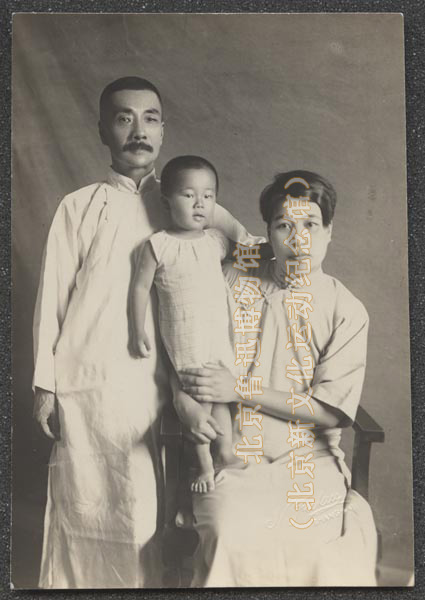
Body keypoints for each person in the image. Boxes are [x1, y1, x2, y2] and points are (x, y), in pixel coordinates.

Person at [32, 76, 263, 588]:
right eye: (124, 118)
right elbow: (51, 299)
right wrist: (45, 388)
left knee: (157, 511)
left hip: (170, 382)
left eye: (150, 118)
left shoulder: (187, 201)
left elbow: (249, 257)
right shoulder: (80, 206)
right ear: (103, 131)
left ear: (163, 130)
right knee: (89, 504)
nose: (138, 130)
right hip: (92, 382)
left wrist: (230, 262)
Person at [175, 170, 378, 586]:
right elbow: (182, 335)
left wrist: (240, 389)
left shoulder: (346, 309)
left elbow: (329, 412)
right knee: (230, 535)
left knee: (314, 546)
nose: (298, 239)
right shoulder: (233, 278)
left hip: (309, 460)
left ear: (329, 232)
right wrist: (182, 398)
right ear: (267, 233)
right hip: (231, 455)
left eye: (311, 225)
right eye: (284, 225)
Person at [131, 155, 241, 494]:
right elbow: (140, 288)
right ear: (167, 202)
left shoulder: (215, 240)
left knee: (221, 399)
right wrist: (137, 328)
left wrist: (245, 261)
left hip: (217, 336)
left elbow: (245, 251)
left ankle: (225, 452)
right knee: (199, 398)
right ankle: (204, 464)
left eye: (208, 196)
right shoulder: (159, 245)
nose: (200, 203)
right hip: (186, 336)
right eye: (189, 195)